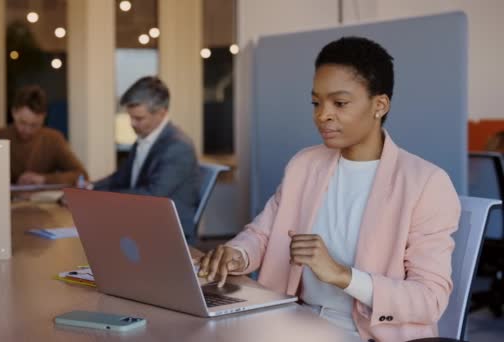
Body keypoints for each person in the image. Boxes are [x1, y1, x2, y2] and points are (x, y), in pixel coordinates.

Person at [197, 37, 460, 341]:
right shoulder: (305, 164)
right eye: (316, 102)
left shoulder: (425, 183)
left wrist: (342, 275)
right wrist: (237, 254)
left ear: (379, 105)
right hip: (294, 319)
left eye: (340, 103)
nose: (323, 115)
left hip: (366, 333)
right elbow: (263, 233)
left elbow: (430, 300)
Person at [93, 76, 199, 236]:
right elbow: (119, 178)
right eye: (130, 117)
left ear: (162, 113)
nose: (132, 124)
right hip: (143, 223)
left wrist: (100, 199)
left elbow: (151, 196)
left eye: (139, 118)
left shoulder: (178, 147)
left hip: (168, 234)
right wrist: (90, 189)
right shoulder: (143, 139)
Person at [0, 85, 88, 185]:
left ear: (44, 118)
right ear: (13, 112)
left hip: (41, 200)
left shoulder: (53, 139)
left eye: (34, 125)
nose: (28, 130)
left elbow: (82, 175)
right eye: (22, 122)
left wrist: (44, 179)